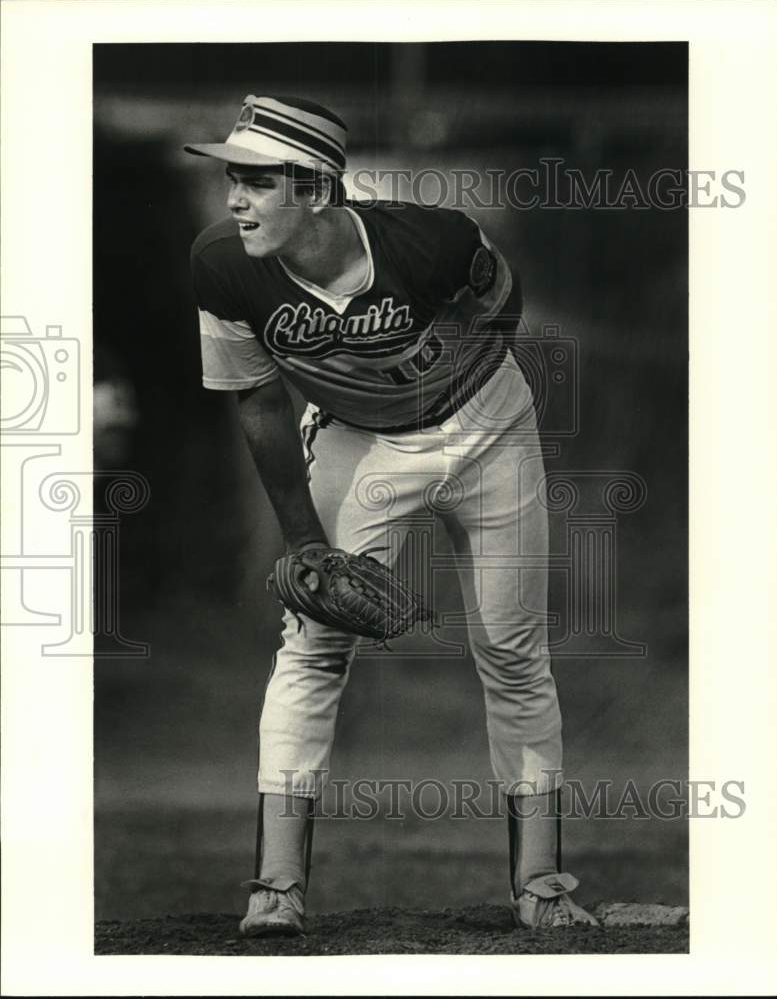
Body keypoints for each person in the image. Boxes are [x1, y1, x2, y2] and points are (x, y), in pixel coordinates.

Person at [184, 95, 598, 936]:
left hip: (489, 431)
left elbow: (500, 311)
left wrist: (424, 386)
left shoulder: (432, 240)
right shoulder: (223, 264)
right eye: (233, 178)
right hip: (356, 441)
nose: (234, 199)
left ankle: (542, 888)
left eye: (259, 182)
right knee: (312, 642)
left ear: (319, 190)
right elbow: (257, 404)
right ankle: (275, 889)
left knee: (513, 652)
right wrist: (306, 543)